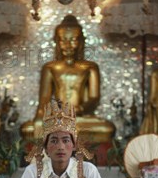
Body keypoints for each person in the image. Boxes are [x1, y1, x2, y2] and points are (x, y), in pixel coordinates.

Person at [20, 15, 114, 143]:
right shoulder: (50, 67)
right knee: (27, 129)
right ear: (56, 42)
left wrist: (78, 110)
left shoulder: (90, 67)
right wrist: (39, 119)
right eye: (63, 40)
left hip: (80, 118)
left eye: (73, 40)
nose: (68, 45)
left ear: (81, 41)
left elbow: (94, 98)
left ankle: (62, 135)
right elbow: (44, 99)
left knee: (107, 129)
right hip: (57, 118)